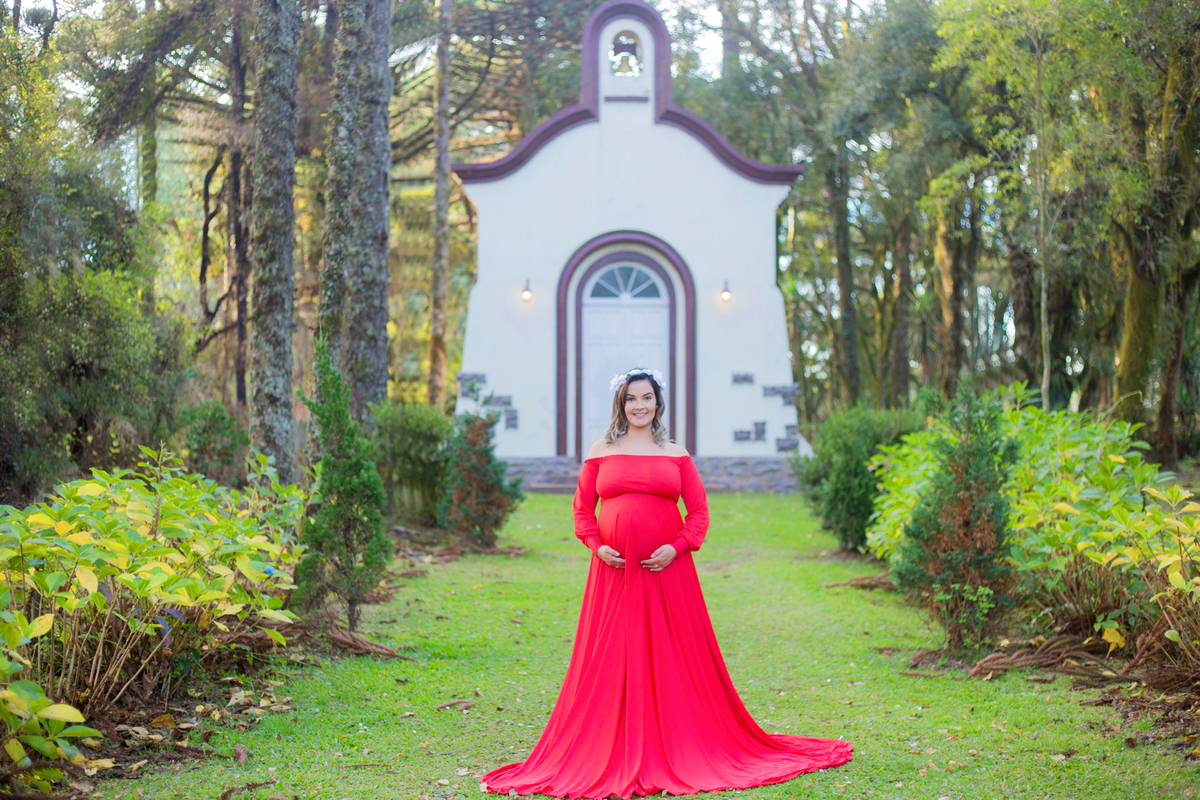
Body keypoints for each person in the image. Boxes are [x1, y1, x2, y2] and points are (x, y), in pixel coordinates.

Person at [482, 368, 853, 797]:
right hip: (614, 573)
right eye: (631, 399)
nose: (640, 406)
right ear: (620, 405)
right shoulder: (601, 450)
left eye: (647, 398)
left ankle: (676, 739)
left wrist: (676, 547)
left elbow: (698, 512)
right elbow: (583, 508)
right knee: (614, 652)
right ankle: (610, 739)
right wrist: (596, 545)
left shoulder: (676, 453)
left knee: (671, 652)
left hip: (667, 573)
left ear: (658, 403)